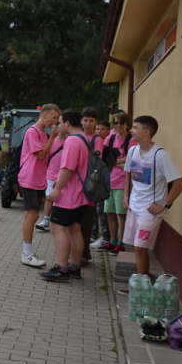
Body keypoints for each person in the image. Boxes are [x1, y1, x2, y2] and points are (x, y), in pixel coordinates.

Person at [122, 116, 182, 276]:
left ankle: (140, 286)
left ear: (146, 132)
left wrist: (164, 204)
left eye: (135, 127)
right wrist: (125, 197)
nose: (131, 130)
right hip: (134, 207)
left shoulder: (160, 155)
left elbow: (179, 183)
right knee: (137, 249)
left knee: (139, 247)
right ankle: (141, 284)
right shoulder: (133, 150)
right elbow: (128, 173)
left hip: (149, 212)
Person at [41, 109, 91, 282]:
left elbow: (68, 168)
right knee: (74, 229)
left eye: (60, 122)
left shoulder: (72, 142)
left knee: (57, 227)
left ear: (68, 124)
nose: (58, 126)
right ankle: (74, 266)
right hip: (82, 194)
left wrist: (57, 189)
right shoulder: (84, 139)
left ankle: (61, 268)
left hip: (69, 194)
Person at [18, 103, 60, 268]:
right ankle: (26, 253)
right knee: (32, 215)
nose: (55, 121)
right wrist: (52, 138)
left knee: (32, 215)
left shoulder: (42, 133)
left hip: (38, 179)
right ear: (44, 115)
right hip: (29, 178)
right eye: (54, 117)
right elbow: (42, 155)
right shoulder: (32, 132)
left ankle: (27, 252)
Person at [96, 111, 136, 256]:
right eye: (116, 123)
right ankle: (112, 241)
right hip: (109, 181)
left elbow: (130, 161)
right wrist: (119, 161)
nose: (118, 126)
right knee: (110, 212)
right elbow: (104, 155)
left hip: (122, 182)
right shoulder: (111, 137)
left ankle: (121, 242)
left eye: (121, 123)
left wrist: (113, 162)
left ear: (127, 124)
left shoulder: (131, 140)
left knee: (121, 214)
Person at [77, 107, 104, 263]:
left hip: (89, 185)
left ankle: (84, 252)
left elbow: (97, 163)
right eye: (85, 120)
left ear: (95, 122)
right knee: (76, 221)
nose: (88, 123)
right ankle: (80, 251)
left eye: (91, 120)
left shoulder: (97, 139)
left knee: (86, 221)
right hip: (76, 183)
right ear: (81, 120)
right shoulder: (77, 136)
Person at [36, 119, 68, 231]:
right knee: (49, 197)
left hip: (63, 175)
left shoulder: (69, 141)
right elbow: (44, 155)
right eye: (56, 127)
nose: (58, 129)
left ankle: (57, 220)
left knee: (60, 199)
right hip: (51, 173)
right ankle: (45, 220)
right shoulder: (52, 141)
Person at [90, 119, 112, 246]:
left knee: (101, 209)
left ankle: (105, 236)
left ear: (108, 131)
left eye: (102, 129)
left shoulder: (108, 145)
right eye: (97, 129)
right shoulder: (93, 143)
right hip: (94, 181)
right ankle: (93, 233)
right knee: (93, 208)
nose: (99, 132)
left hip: (105, 181)